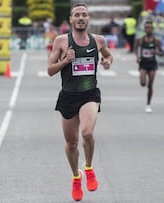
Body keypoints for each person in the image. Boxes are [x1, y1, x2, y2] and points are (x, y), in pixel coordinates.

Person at [47, 3, 113, 201]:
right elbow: (50, 70)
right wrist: (65, 61)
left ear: (88, 19)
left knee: (87, 132)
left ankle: (89, 168)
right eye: (77, 15)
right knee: (72, 143)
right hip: (68, 96)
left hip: (89, 94)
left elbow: (109, 55)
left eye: (84, 14)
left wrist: (108, 61)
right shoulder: (61, 41)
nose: (81, 17)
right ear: (71, 20)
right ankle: (76, 177)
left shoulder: (98, 40)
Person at [133, 20, 163, 113]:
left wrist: (156, 52)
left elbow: (162, 52)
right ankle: (144, 83)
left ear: (152, 29)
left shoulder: (156, 40)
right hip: (143, 63)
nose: (148, 29)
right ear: (144, 29)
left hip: (152, 64)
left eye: (149, 27)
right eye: (146, 27)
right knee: (143, 83)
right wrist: (137, 57)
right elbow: (135, 48)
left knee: (150, 85)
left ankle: (148, 104)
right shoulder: (141, 39)